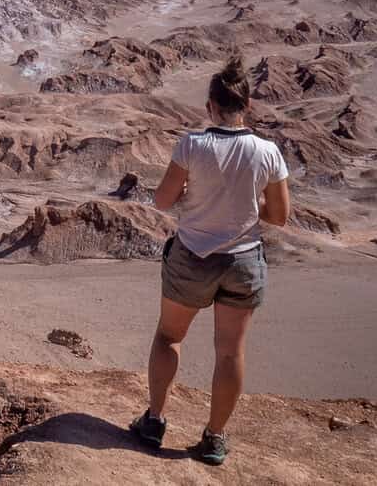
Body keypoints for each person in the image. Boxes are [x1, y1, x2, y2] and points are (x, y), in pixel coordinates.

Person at [128, 55, 290, 467]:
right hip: (242, 262)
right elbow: (279, 216)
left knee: (169, 337)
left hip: (192, 257)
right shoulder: (268, 152)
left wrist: (192, 200)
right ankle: (214, 439)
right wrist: (247, 205)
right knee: (230, 354)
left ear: (209, 107)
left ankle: (154, 421)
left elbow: (162, 200)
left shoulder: (192, 145)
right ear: (247, 106)